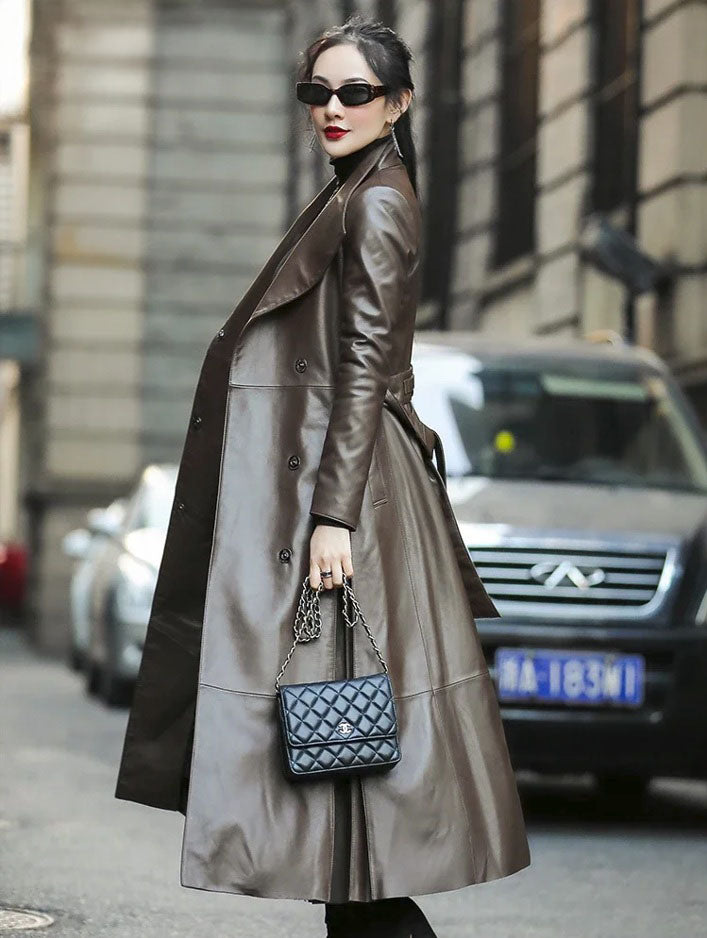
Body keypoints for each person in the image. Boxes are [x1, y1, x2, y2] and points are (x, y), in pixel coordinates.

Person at [114, 14, 531, 938]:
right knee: (342, 819)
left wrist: (333, 516)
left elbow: (367, 367)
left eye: (354, 93)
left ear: (398, 103)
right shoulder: (352, 189)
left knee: (350, 790)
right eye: (318, 93)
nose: (331, 109)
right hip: (340, 494)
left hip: (354, 505)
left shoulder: (378, 199)